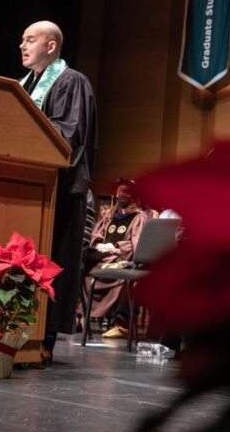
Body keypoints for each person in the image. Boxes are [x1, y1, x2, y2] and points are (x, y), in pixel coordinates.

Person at [18, 20, 99, 354]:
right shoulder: (22, 86)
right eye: (21, 40)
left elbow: (69, 134)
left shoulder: (71, 81)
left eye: (30, 40)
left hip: (60, 190)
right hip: (27, 188)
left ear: (51, 46)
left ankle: (45, 337)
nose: (22, 46)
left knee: (55, 261)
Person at [80, 179, 149, 338]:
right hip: (102, 257)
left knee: (114, 273)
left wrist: (116, 247)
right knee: (84, 263)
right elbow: (97, 233)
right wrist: (97, 244)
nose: (120, 196)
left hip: (120, 259)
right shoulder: (111, 216)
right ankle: (79, 317)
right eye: (118, 193)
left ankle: (121, 324)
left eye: (124, 193)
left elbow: (137, 244)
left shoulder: (140, 217)